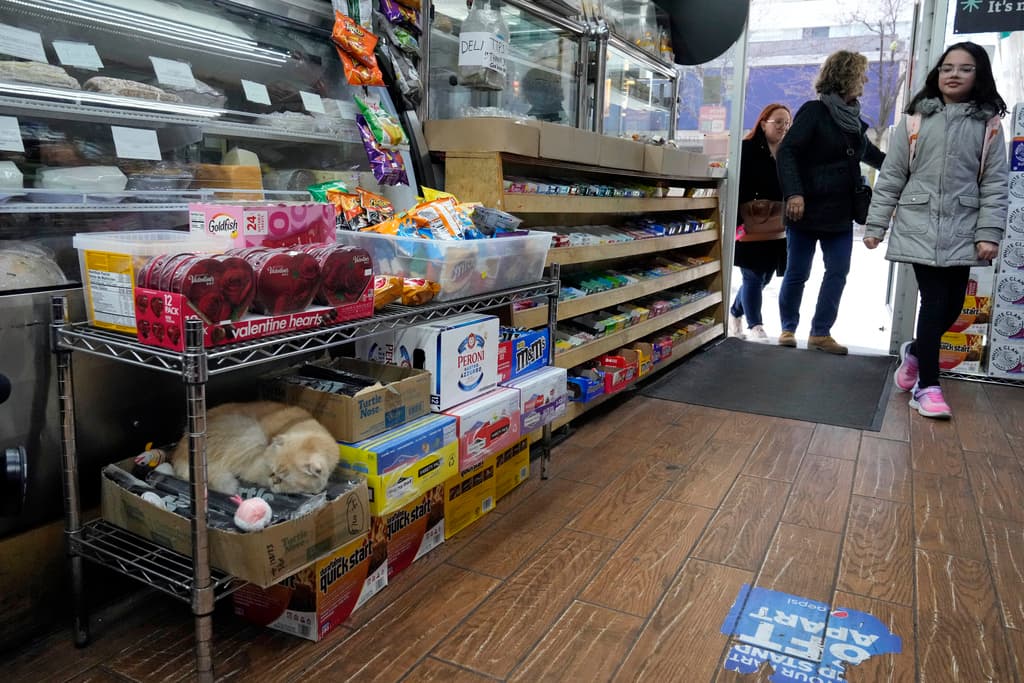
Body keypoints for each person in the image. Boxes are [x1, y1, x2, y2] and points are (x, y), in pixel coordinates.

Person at [864, 41, 1007, 419]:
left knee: (954, 306)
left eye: (964, 68)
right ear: (937, 73)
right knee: (933, 302)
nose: (954, 74)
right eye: (947, 67)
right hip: (919, 223)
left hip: (963, 226)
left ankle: (915, 353)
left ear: (979, 75)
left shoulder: (989, 124)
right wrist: (876, 225)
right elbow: (892, 175)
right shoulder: (915, 120)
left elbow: (995, 183)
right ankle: (927, 387)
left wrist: (989, 232)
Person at [775, 50, 885, 354]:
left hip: (839, 212)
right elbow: (787, 152)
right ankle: (788, 328)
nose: (865, 80)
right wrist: (794, 193)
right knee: (798, 272)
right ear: (846, 76)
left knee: (838, 272)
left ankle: (820, 333)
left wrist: (907, 167)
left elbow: (873, 156)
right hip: (805, 209)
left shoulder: (853, 121)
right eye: (861, 74)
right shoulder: (814, 111)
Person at [729, 103, 792, 342]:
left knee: (764, 276)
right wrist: (736, 223)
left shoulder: (788, 152)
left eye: (787, 123)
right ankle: (755, 325)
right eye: (778, 122)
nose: (783, 127)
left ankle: (736, 311)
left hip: (777, 225)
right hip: (750, 221)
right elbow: (736, 185)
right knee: (752, 275)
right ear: (763, 123)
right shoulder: (747, 149)